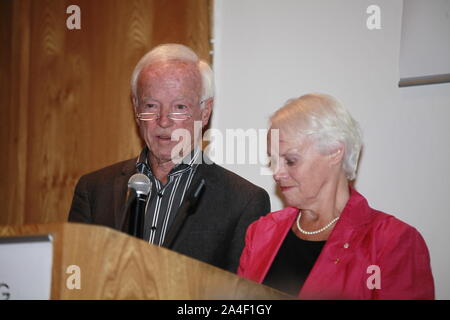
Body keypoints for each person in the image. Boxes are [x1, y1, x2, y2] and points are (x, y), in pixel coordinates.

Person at [68, 43, 270, 273]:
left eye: (179, 106)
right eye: (151, 105)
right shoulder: (94, 190)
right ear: (136, 108)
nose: (163, 121)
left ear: (205, 112)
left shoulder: (243, 202)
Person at [238, 93, 434, 299]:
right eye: (273, 160)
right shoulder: (261, 233)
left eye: (290, 160)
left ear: (335, 152)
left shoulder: (391, 242)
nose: (277, 173)